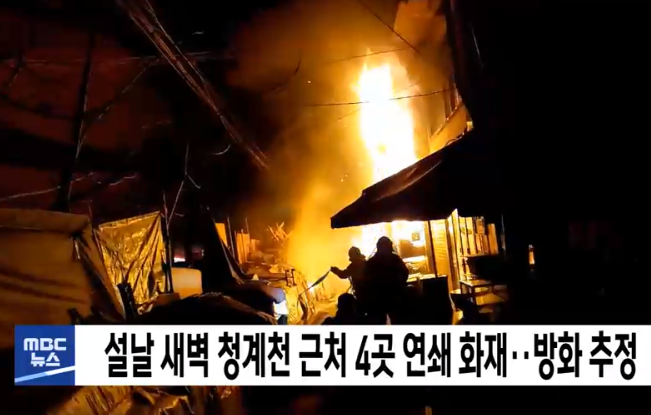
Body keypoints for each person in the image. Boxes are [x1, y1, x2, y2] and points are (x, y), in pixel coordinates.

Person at [364, 236, 409, 324]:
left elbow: (367, 280)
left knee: (381, 321)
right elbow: (405, 272)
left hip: (379, 298)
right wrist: (400, 285)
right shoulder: (395, 259)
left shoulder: (372, 262)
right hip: (393, 295)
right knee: (397, 319)